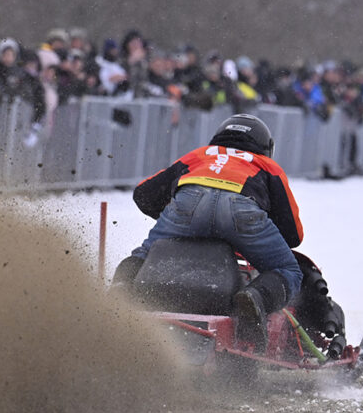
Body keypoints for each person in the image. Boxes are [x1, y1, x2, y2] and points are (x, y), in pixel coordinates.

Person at [112, 114, 304, 352]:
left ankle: (118, 292)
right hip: (242, 208)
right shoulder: (267, 165)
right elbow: (293, 234)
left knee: (145, 254)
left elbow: (144, 194)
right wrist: (250, 234)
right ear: (266, 147)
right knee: (288, 270)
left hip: (189, 203)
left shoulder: (200, 154)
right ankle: (254, 297)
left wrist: (179, 226)